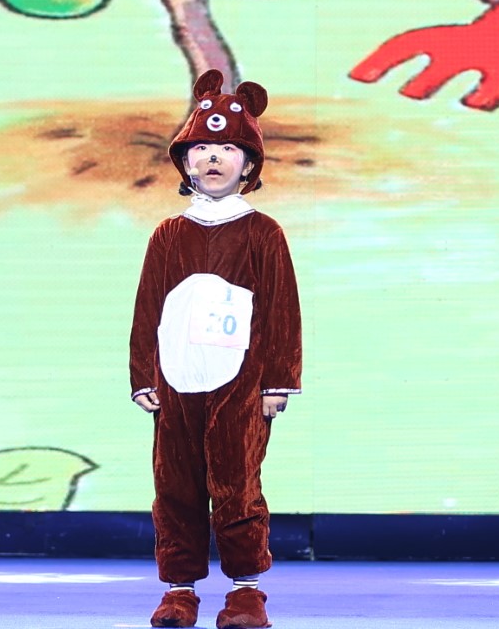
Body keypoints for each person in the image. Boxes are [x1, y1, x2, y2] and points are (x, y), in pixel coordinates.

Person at [129, 70, 302, 629]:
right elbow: (148, 309)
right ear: (184, 162)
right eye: (201, 147)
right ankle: (179, 590)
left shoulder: (262, 232)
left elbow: (281, 308)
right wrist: (143, 376)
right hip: (176, 378)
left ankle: (246, 591)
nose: (213, 158)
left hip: (241, 382)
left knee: (237, 484)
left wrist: (277, 381)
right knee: (175, 485)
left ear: (248, 165)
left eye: (227, 148)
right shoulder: (168, 234)